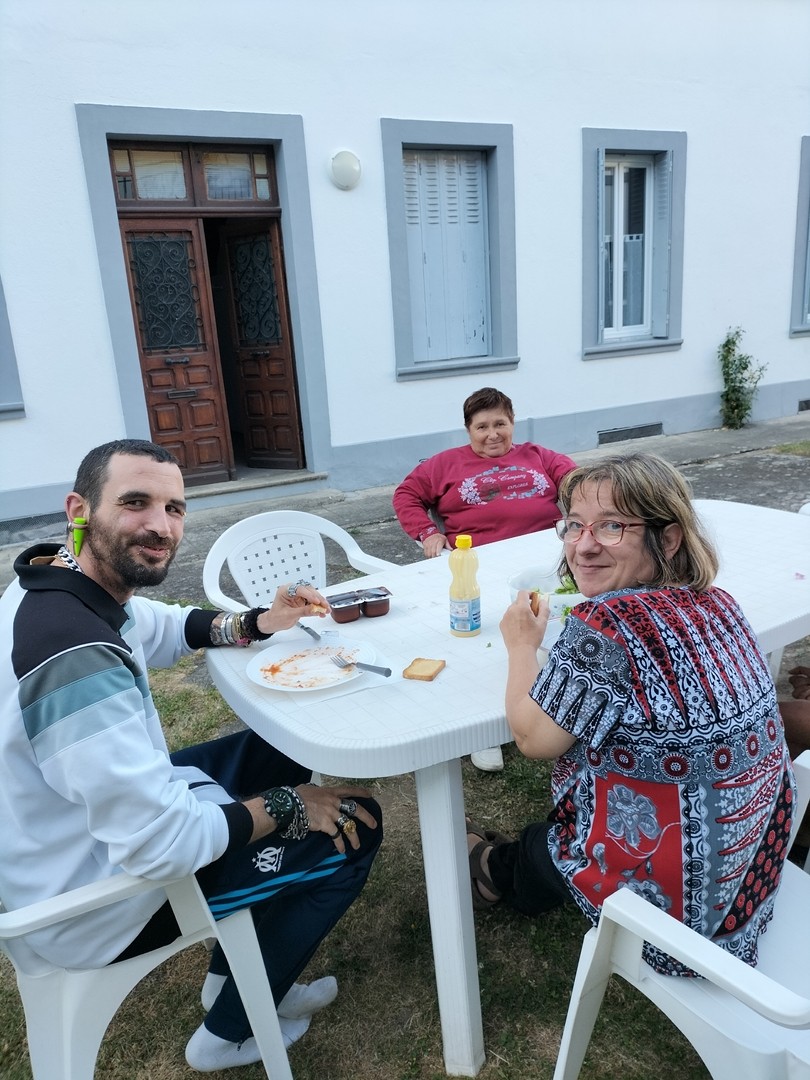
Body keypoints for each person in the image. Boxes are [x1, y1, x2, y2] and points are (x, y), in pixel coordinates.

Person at [0, 439, 382, 1073]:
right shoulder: (72, 654)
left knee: (273, 747)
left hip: (69, 834)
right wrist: (291, 805)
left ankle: (241, 977)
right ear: (80, 508)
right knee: (354, 824)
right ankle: (227, 1034)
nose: (161, 525)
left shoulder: (58, 584)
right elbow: (164, 846)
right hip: (97, 895)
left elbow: (164, 624)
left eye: (174, 507)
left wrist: (259, 622)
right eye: (136, 503)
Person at [467, 452, 795, 974]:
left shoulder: (608, 622)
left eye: (612, 526)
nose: (583, 544)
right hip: (745, 883)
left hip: (675, 922)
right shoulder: (719, 601)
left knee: (545, 844)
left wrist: (521, 645)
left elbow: (532, 739)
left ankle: (486, 869)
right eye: (573, 525)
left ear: (668, 539)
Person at [393, 386, 576, 772]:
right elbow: (406, 494)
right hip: (481, 562)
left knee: (559, 630)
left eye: (500, 424)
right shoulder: (443, 464)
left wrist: (579, 514)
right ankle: (484, 729)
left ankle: (554, 704)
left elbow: (576, 480)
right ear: (468, 430)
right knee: (487, 638)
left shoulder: (538, 455)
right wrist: (428, 533)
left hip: (541, 559)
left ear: (513, 423)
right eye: (482, 427)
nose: (492, 434)